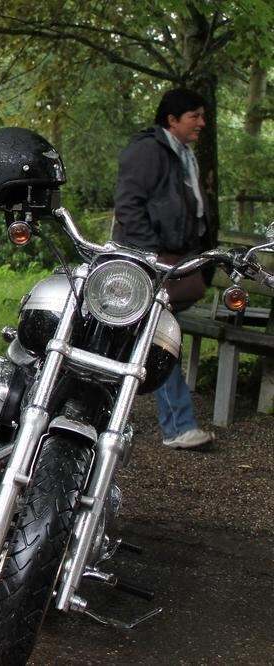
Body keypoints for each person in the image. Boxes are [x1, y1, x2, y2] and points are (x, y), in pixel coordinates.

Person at [113, 87, 215, 450]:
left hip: (175, 259)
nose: (202, 123)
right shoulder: (148, 151)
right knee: (159, 336)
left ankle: (107, 404)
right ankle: (178, 426)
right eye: (195, 116)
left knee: (142, 335)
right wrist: (152, 255)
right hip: (151, 262)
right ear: (172, 119)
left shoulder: (181, 154)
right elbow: (129, 206)